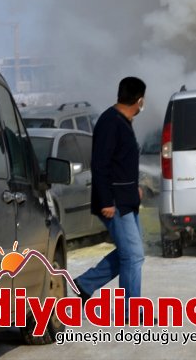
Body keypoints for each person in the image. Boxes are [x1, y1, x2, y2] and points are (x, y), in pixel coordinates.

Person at [74, 77, 146, 322]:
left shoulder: (123, 122)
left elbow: (120, 163)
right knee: (133, 256)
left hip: (127, 199)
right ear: (139, 100)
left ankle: (83, 285)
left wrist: (134, 187)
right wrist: (106, 200)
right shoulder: (110, 122)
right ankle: (131, 313)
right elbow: (100, 164)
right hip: (114, 202)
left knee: (130, 254)